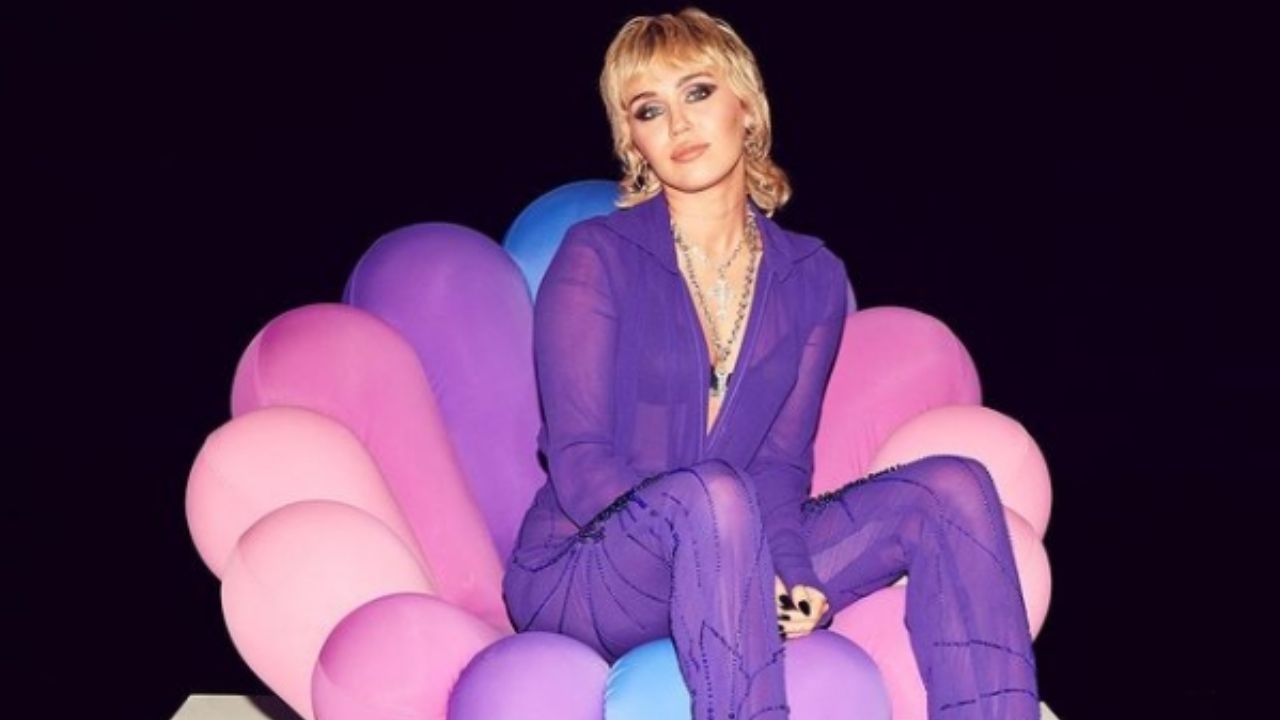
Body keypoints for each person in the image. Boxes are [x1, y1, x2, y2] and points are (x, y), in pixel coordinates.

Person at [502, 7, 1040, 718]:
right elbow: (578, 461)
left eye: (698, 92)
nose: (679, 124)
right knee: (715, 495)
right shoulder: (596, 256)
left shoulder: (811, 277)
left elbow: (781, 465)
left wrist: (788, 569)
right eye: (649, 110)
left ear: (746, 106)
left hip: (738, 542)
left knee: (950, 488)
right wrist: (726, 543)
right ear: (632, 141)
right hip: (591, 568)